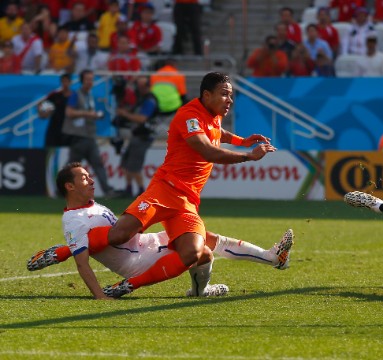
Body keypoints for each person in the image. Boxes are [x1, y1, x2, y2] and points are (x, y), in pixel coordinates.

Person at [83, 72, 277, 298]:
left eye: (231, 95)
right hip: (164, 190)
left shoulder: (213, 114)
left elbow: (217, 132)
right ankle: (66, 249)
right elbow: (207, 150)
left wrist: (240, 141)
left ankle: (130, 285)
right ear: (207, 95)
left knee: (194, 252)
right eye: (224, 94)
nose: (230, 100)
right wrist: (248, 156)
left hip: (187, 202)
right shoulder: (189, 115)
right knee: (119, 235)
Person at [26, 162, 294, 299]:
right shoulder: (74, 221)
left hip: (144, 243)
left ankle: (271, 258)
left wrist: (61, 251)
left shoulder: (91, 206)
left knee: (207, 239)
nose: (91, 180)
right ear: (69, 187)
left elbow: (106, 237)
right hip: (137, 261)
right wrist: (99, 296)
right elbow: (83, 261)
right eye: (84, 177)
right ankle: (133, 286)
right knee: (203, 253)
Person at [62, 69, 115, 197]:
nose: (90, 82)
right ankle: (61, 188)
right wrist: (88, 114)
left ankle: (107, 190)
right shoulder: (76, 94)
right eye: (87, 79)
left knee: (92, 165)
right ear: (82, 81)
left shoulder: (89, 95)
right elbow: (69, 112)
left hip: (88, 135)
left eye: (91, 79)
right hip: (79, 136)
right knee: (73, 167)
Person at [113, 76, 157, 197]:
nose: (138, 88)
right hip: (136, 135)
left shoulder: (149, 100)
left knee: (134, 166)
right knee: (126, 163)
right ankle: (129, 188)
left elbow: (142, 118)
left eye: (141, 86)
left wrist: (124, 114)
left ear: (147, 86)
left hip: (143, 136)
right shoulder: (141, 99)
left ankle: (141, 190)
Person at [38, 73, 72, 147]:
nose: (65, 83)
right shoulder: (55, 95)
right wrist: (43, 113)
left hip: (68, 129)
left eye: (66, 81)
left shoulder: (74, 96)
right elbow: (41, 104)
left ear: (70, 82)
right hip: (54, 128)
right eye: (63, 81)